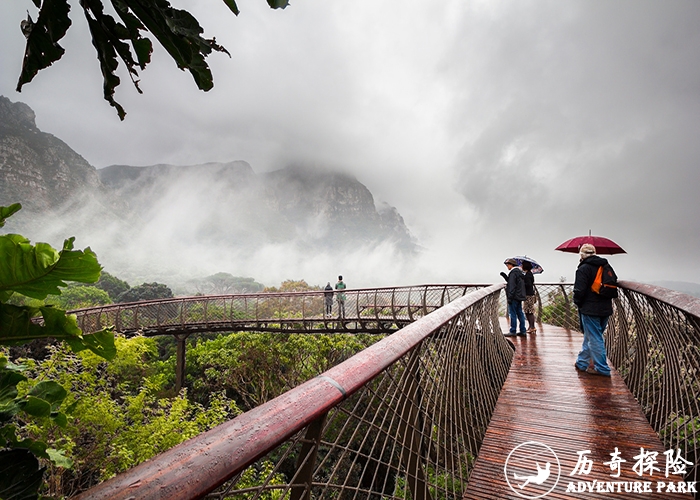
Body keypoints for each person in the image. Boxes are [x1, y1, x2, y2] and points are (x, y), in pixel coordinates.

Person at [573, 243, 615, 377]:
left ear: (582, 255)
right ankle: (582, 362)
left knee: (595, 338)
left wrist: (578, 303)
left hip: (590, 309)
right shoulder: (605, 266)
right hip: (606, 308)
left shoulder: (583, 269)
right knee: (591, 336)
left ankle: (602, 368)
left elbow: (579, 291)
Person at [503, 258, 527, 337]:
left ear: (511, 265)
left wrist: (510, 297)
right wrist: (507, 278)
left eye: (507, 265)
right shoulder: (520, 273)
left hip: (514, 297)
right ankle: (523, 330)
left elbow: (512, 286)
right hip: (519, 297)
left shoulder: (513, 273)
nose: (507, 267)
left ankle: (513, 331)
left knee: (512, 313)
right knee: (520, 313)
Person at [521, 261, 537, 333]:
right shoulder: (529, 274)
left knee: (529, 311)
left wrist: (523, 282)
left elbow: (528, 284)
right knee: (528, 311)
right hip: (530, 294)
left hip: (528, 295)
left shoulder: (528, 275)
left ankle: (532, 327)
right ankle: (531, 326)